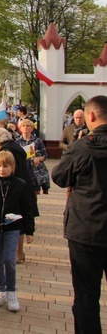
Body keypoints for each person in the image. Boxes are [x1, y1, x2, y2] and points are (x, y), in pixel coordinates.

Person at [51, 95, 107, 333]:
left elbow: (59, 177)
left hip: (86, 229)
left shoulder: (82, 146)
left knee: (86, 296)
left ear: (90, 116)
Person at [0, 150, 35, 313]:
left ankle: (11, 291)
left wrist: (29, 230)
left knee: (9, 260)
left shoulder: (20, 185)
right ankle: (1, 289)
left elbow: (27, 208)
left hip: (13, 228)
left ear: (13, 167)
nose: (2, 169)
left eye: (5, 166)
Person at [0, 127, 38, 264]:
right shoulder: (15, 147)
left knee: (16, 221)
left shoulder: (6, 151)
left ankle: (18, 252)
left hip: (13, 188)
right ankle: (17, 252)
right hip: (23, 186)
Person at [16, 119, 49, 194]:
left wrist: (38, 158)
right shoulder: (17, 142)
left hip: (34, 170)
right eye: (23, 126)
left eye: (28, 126)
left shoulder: (37, 141)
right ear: (20, 128)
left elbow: (45, 155)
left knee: (33, 194)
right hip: (22, 169)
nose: (25, 127)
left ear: (32, 128)